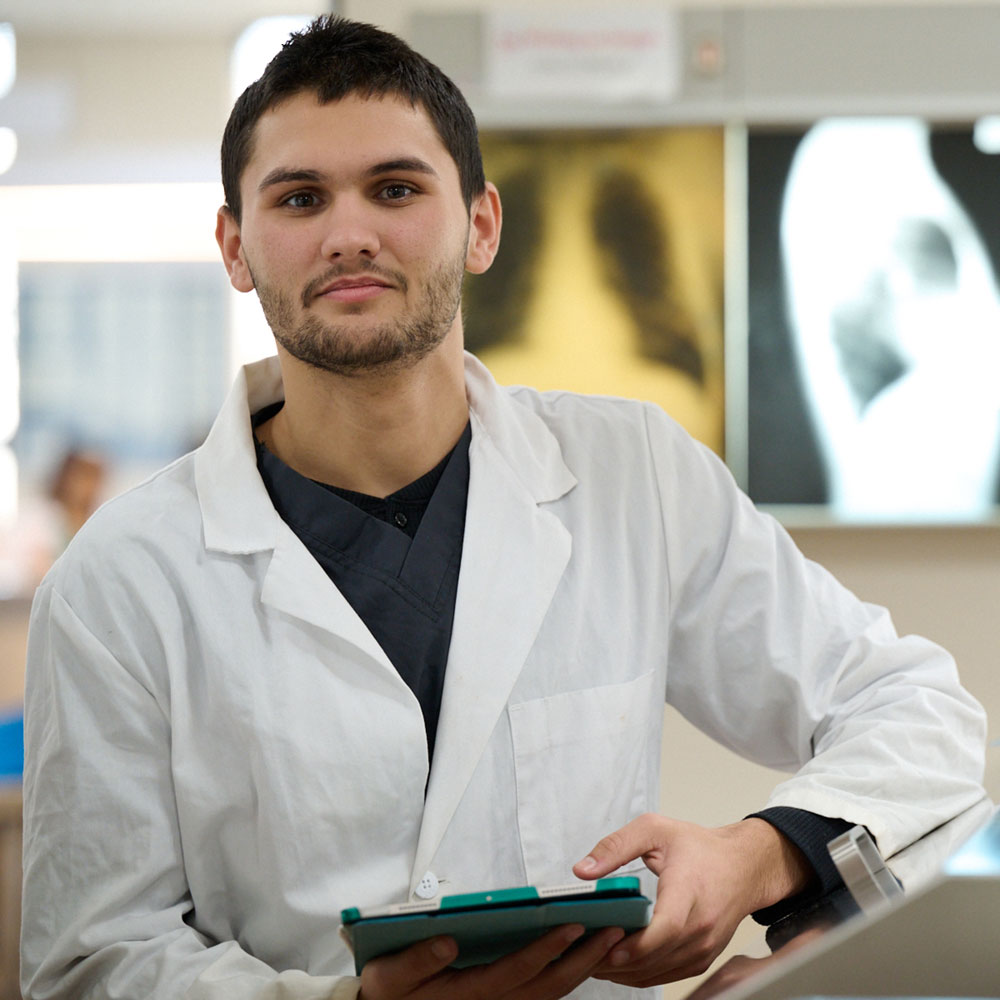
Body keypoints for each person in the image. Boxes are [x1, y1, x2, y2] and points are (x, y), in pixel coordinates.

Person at [21, 16, 988, 1000]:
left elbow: (917, 715)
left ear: (481, 225)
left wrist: (759, 855)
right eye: (300, 197)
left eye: (395, 189)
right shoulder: (118, 584)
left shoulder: (631, 472)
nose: (349, 232)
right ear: (235, 245)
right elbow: (90, 959)